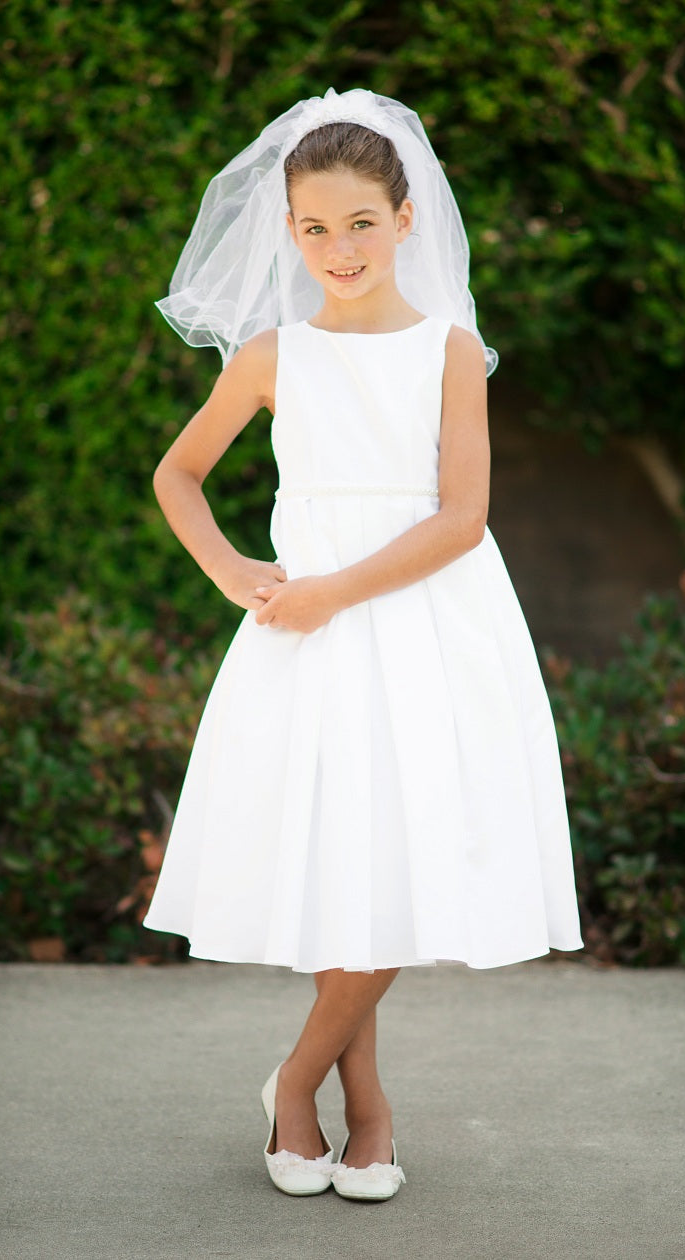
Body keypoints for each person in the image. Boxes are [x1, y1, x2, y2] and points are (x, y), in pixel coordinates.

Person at [142, 87, 583, 1202]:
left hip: (429, 619)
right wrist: (237, 571)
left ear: (406, 222)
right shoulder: (273, 354)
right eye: (313, 228)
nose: (339, 249)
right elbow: (177, 475)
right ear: (288, 232)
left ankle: (300, 1078)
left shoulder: (448, 346)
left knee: (408, 847)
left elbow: (461, 517)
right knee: (349, 857)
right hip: (305, 637)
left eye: (361, 224)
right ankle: (366, 1107)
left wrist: (333, 588)